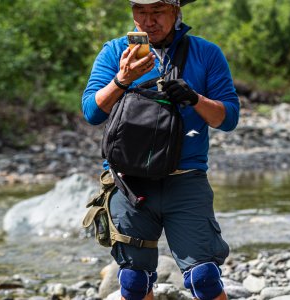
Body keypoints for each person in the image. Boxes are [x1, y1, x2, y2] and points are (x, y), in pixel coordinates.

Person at [81, 0, 239, 299]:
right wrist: (121, 79)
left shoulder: (206, 53)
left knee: (204, 277)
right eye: (141, 12)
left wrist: (195, 98)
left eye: (157, 12)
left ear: (176, 11)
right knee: (133, 281)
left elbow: (228, 118)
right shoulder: (115, 52)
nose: (148, 20)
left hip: (186, 178)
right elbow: (92, 112)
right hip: (128, 183)